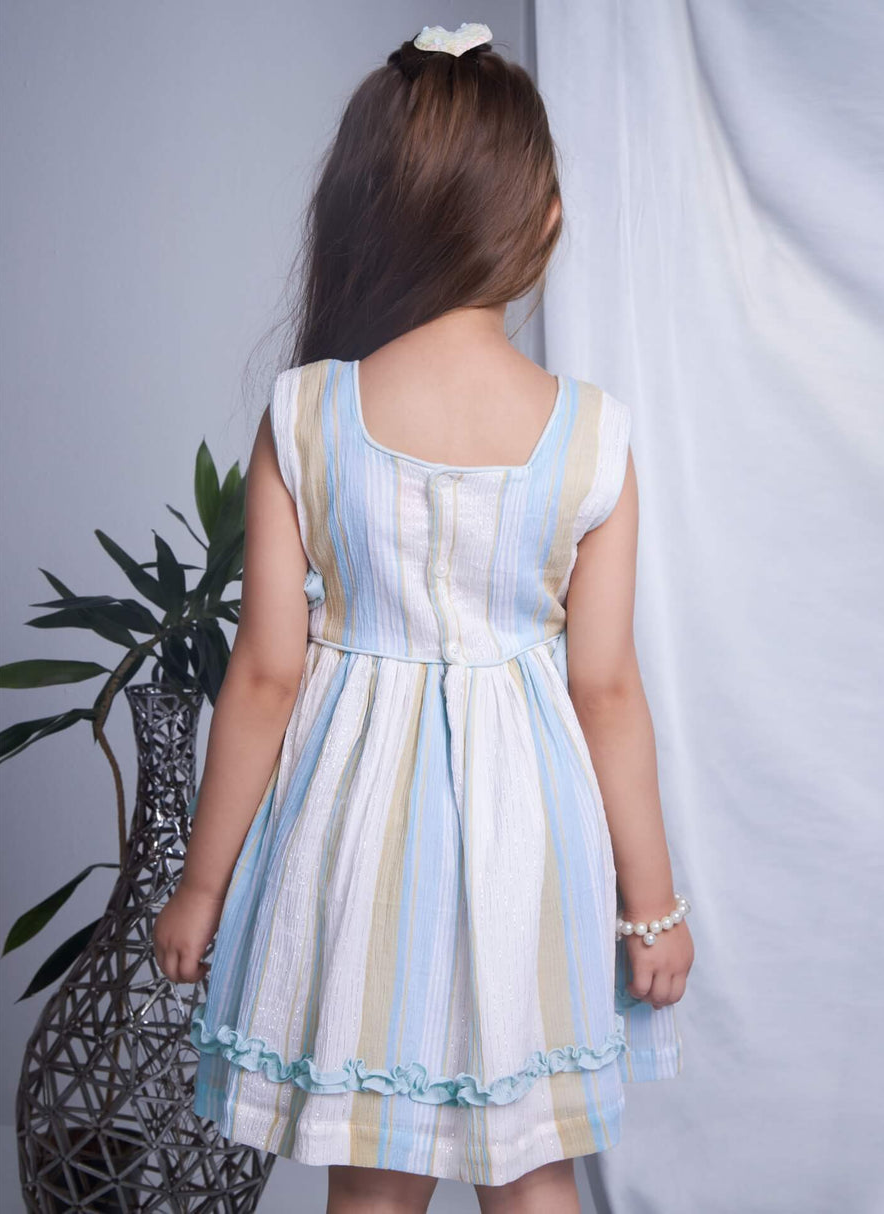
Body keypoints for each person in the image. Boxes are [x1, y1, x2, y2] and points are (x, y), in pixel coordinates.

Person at [152, 21, 692, 1212]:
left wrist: (201, 884)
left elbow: (264, 675)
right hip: (530, 833)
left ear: (370, 211)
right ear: (542, 219)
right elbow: (606, 689)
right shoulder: (592, 435)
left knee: (374, 1173)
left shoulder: (306, 415)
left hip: (352, 831)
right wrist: (650, 906)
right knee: (533, 1164)